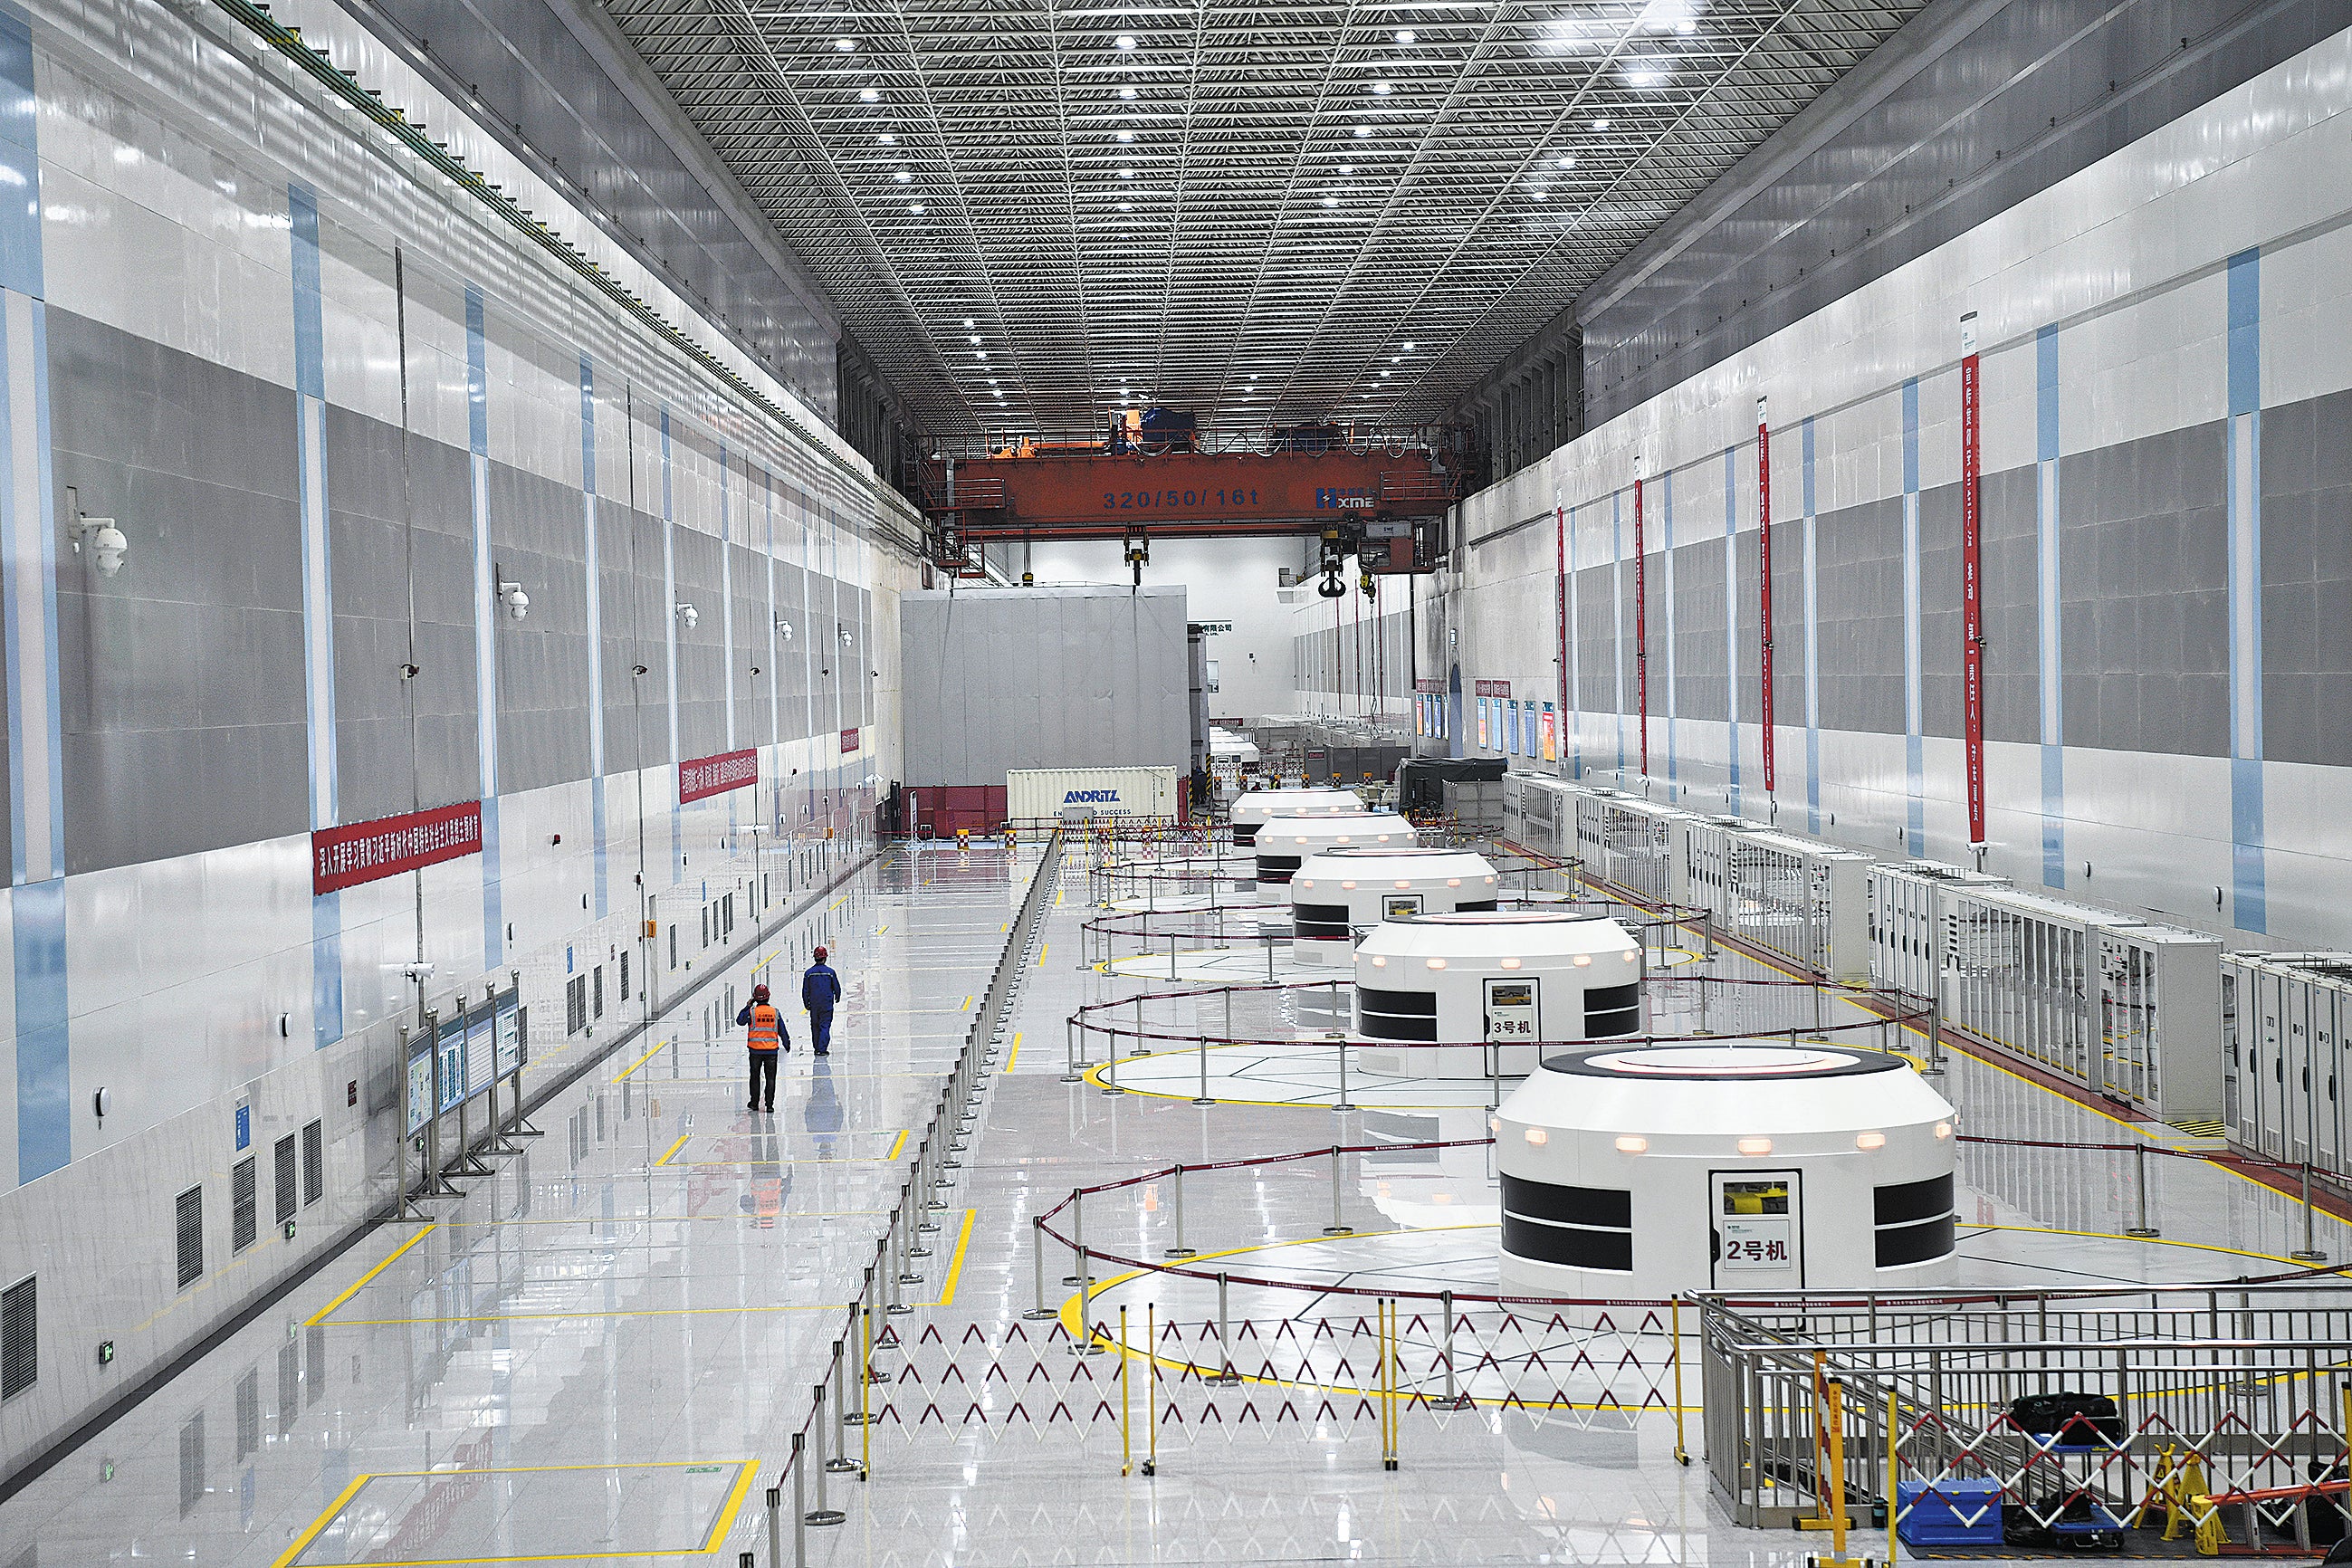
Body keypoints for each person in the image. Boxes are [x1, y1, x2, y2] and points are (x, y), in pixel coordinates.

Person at [735, 982, 788, 1112]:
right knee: (770, 1078)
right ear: (768, 997)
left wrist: (747, 1006)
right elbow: (782, 1031)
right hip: (771, 1051)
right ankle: (769, 1105)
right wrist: (787, 1044)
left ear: (755, 998)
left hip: (755, 1051)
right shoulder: (775, 1012)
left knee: (755, 1077)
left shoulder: (751, 1012)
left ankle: (754, 1103)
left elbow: (739, 1021)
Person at [803, 947, 843, 1056]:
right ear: (825, 958)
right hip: (826, 1004)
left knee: (815, 1026)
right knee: (825, 1026)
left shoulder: (808, 973)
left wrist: (806, 1003)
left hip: (814, 1005)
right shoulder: (830, 972)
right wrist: (838, 996)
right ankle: (822, 1048)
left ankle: (816, 1048)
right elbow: (836, 987)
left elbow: (805, 990)